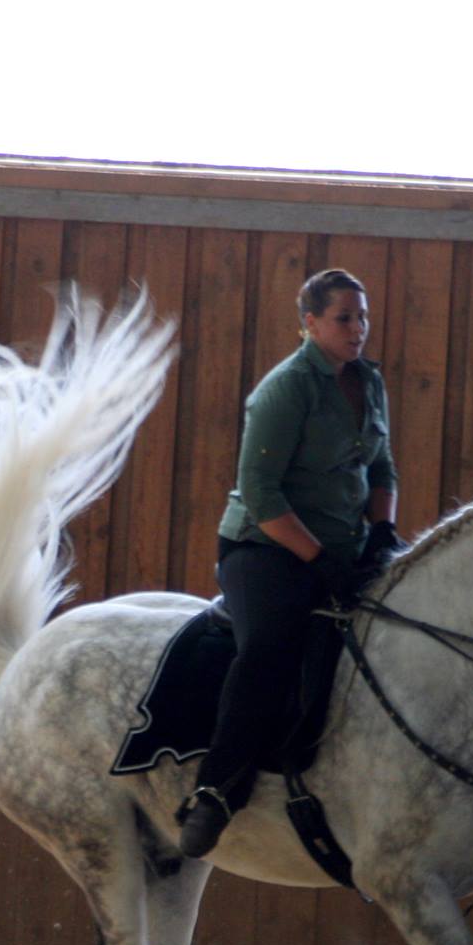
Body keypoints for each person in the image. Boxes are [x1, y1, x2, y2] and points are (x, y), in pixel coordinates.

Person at [176, 268, 403, 859]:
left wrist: (382, 529)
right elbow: (260, 492)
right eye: (344, 318)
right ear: (310, 324)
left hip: (342, 551)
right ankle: (217, 791)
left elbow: (382, 469)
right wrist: (318, 558)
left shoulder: (368, 383)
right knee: (270, 645)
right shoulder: (285, 388)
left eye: (363, 316)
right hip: (265, 548)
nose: (359, 329)